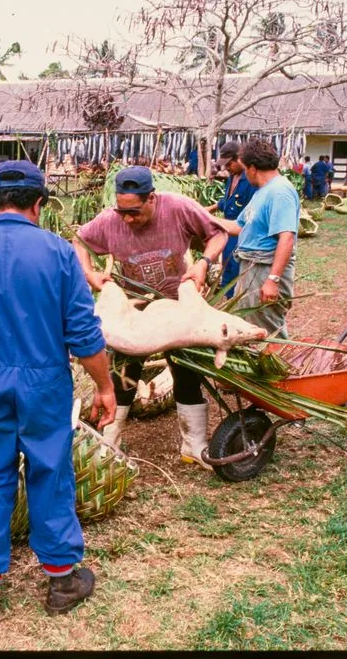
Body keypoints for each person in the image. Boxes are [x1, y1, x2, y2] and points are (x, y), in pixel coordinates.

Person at [0, 160, 116, 633]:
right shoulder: (57, 253)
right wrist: (106, 386)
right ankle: (61, 581)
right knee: (50, 472)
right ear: (39, 204)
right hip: (44, 382)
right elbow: (84, 333)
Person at [73, 166, 228, 468]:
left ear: (152, 199)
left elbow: (217, 233)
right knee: (124, 375)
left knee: (187, 372)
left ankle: (194, 446)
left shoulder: (179, 208)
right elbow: (79, 240)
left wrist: (203, 264)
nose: (128, 219)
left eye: (134, 212)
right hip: (136, 309)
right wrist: (89, 273)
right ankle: (108, 447)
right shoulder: (110, 221)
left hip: (176, 307)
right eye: (122, 212)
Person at [213, 138, 299, 339]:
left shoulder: (280, 192)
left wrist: (272, 279)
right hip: (250, 266)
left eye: (243, 168)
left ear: (252, 168)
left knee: (267, 329)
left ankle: (277, 368)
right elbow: (237, 226)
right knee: (250, 326)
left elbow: (286, 238)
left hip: (264, 268)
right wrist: (199, 216)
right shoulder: (262, 192)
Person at [203, 142, 258, 297]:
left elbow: (252, 208)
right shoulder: (232, 177)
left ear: (239, 159)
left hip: (241, 230)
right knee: (227, 265)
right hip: (228, 230)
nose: (226, 168)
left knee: (236, 267)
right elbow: (226, 201)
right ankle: (227, 296)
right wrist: (210, 209)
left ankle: (236, 298)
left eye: (229, 164)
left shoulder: (250, 180)